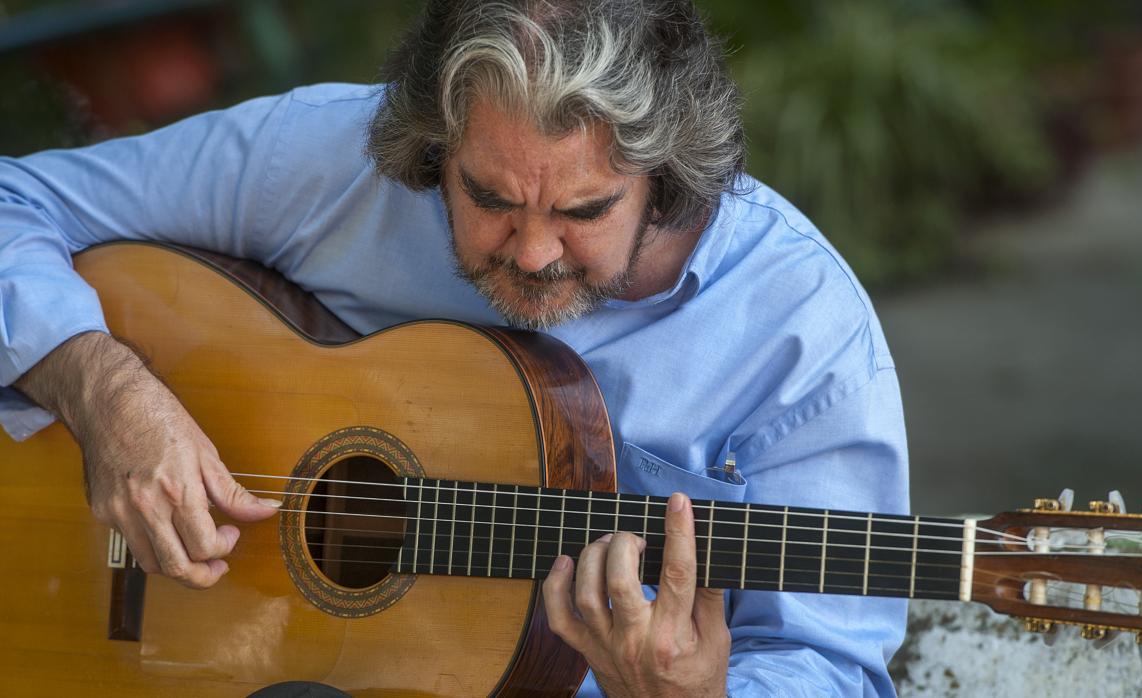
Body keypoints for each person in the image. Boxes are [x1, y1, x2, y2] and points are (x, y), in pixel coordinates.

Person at [0, 0, 909, 695]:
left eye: (584, 211)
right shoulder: (322, 162)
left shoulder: (803, 333)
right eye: (488, 198)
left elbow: (832, 666)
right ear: (435, 144)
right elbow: (15, 200)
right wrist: (102, 388)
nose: (533, 251)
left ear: (667, 176)